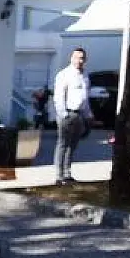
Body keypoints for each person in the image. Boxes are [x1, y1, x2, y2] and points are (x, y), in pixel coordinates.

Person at [53, 47, 94, 185]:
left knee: (73, 145)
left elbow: (85, 97)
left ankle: (67, 173)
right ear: (71, 58)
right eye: (77, 57)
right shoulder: (64, 74)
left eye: (82, 58)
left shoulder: (85, 76)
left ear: (85, 60)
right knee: (63, 144)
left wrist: (88, 115)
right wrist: (63, 114)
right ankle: (59, 176)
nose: (79, 60)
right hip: (67, 114)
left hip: (80, 114)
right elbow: (58, 96)